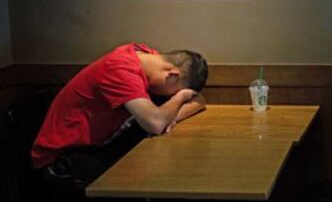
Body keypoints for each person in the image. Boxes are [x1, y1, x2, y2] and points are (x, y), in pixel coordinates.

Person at [32, 43, 208, 187]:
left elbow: (199, 101)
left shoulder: (147, 58)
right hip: (61, 159)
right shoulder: (121, 69)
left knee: (150, 170)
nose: (169, 97)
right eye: (174, 91)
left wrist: (171, 117)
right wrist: (180, 98)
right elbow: (155, 123)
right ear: (172, 75)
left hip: (98, 146)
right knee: (141, 182)